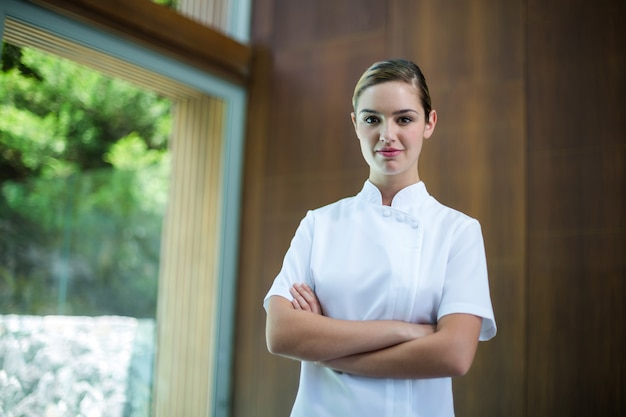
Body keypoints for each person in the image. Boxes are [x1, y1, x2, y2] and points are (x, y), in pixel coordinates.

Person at [263, 59, 496, 417]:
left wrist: (328, 350)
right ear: (355, 124)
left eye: (404, 118)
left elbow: (454, 354)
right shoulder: (319, 224)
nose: (387, 134)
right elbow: (281, 334)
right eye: (372, 119)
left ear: (429, 123)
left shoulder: (458, 231)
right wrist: (408, 331)